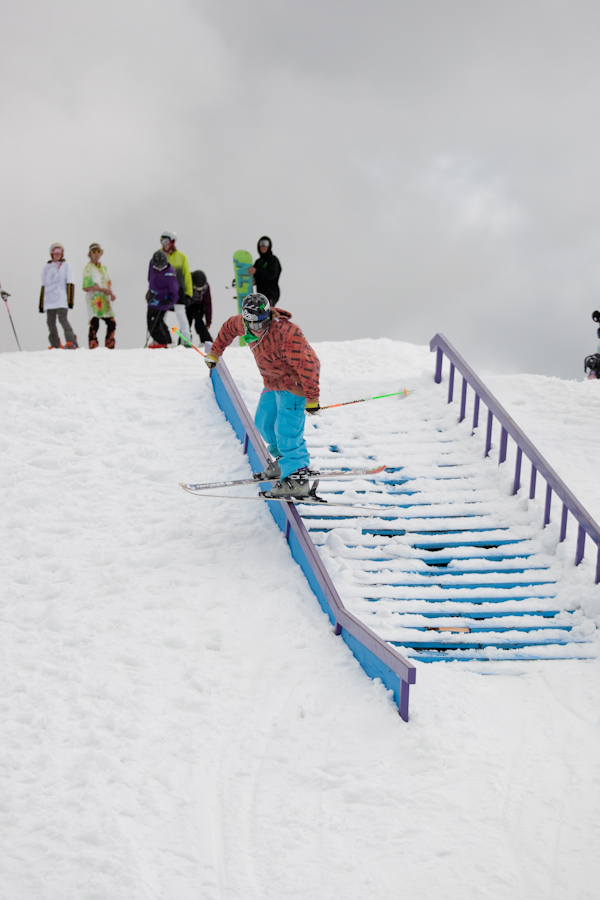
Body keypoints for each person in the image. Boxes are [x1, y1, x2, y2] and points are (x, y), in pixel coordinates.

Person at [205, 293, 320, 499]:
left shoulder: (287, 333)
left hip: (294, 385)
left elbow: (308, 365)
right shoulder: (243, 323)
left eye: (262, 323)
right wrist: (215, 353)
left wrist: (312, 398)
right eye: (253, 325)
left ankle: (297, 478)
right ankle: (284, 460)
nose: (258, 329)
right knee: (264, 423)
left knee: (287, 431)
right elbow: (227, 330)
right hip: (272, 382)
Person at [39, 242, 78, 349]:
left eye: (59, 251)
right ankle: (55, 344)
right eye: (55, 251)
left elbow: (70, 281)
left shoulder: (66, 265)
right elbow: (43, 285)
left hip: (62, 298)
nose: (57, 253)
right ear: (51, 253)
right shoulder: (46, 267)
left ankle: (71, 341)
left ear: (62, 253)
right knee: (50, 321)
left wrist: (70, 300)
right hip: (50, 300)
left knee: (62, 319)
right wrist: (42, 304)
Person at [160, 230, 193, 346]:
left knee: (180, 313)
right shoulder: (159, 255)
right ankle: (161, 338)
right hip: (163, 290)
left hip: (177, 289)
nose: (163, 244)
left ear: (172, 242)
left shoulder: (181, 257)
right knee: (161, 313)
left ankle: (186, 339)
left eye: (166, 241)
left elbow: (186, 275)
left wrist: (189, 292)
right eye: (162, 241)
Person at [82, 243, 116, 349]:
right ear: (90, 254)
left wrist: (111, 293)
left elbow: (107, 282)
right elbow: (87, 286)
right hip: (94, 299)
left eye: (98, 252)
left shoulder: (103, 268)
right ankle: (93, 345)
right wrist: (102, 290)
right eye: (94, 252)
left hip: (105, 299)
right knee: (94, 322)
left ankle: (110, 344)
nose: (96, 254)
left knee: (111, 322)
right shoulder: (88, 268)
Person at [146, 250, 179, 348]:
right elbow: (150, 278)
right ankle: (166, 341)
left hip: (162, 301)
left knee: (154, 321)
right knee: (155, 320)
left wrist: (170, 301)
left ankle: (161, 341)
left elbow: (174, 292)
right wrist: (150, 291)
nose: (159, 269)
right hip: (153, 298)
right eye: (157, 267)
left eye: (161, 267)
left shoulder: (170, 274)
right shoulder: (152, 264)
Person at [247, 236, 281, 305]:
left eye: (266, 243)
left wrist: (256, 271)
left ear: (269, 246)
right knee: (261, 312)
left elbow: (272, 274)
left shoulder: (273, 260)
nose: (263, 246)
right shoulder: (258, 262)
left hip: (271, 294)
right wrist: (253, 280)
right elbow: (256, 277)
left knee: (266, 310)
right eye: (261, 244)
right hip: (260, 296)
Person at [186, 270, 213, 345]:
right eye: (196, 288)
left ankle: (206, 342)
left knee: (199, 322)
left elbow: (208, 304)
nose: (198, 290)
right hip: (187, 305)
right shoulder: (186, 282)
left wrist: (208, 322)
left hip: (198, 306)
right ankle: (185, 340)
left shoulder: (206, 287)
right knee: (186, 323)